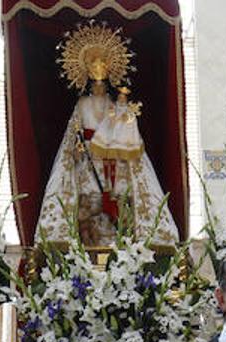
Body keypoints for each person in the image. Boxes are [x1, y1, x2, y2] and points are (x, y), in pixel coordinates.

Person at [38, 28, 178, 249]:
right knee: (90, 203)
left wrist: (126, 119)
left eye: (103, 64)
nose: (98, 68)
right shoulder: (82, 104)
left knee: (120, 202)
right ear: (86, 70)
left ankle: (119, 250)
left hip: (116, 163)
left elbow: (126, 135)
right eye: (93, 65)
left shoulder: (116, 107)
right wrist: (77, 150)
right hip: (88, 164)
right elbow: (73, 136)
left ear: (110, 68)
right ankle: (91, 250)